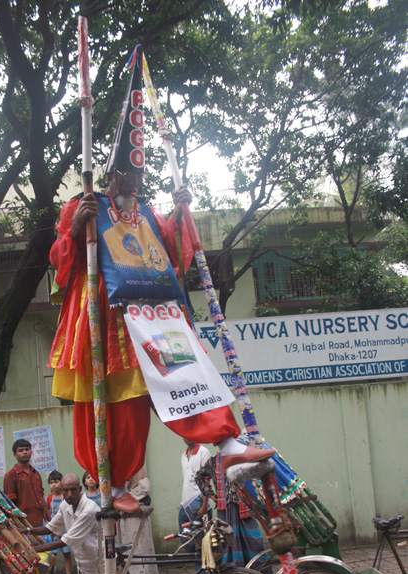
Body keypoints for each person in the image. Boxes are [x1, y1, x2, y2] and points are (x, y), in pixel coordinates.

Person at [48, 47, 273, 511]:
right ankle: (113, 485)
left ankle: (228, 445)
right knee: (118, 403)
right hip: (108, 319)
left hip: (156, 316)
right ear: (110, 176)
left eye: (137, 176)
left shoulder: (148, 212)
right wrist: (76, 226)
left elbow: (173, 254)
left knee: (189, 376)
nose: (131, 183)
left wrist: (181, 211)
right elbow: (61, 263)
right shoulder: (84, 204)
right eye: (124, 175)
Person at [116, 468, 159, 574]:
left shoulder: (137, 469)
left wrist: (126, 497)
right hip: (122, 513)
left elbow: (145, 488)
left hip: (137, 512)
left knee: (139, 546)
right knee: (126, 548)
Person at [4, 439, 49, 527]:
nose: (25, 452)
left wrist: (49, 519)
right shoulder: (11, 475)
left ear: (31, 452)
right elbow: (9, 503)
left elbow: (41, 497)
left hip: (41, 521)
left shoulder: (35, 473)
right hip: (25, 524)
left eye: (27, 449)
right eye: (21, 450)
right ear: (15, 455)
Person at [46, 469, 75, 574]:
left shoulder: (66, 497)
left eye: (56, 482)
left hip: (66, 531)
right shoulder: (48, 498)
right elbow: (47, 513)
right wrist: (50, 528)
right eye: (51, 482)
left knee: (67, 554)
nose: (54, 485)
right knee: (53, 555)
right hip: (54, 532)